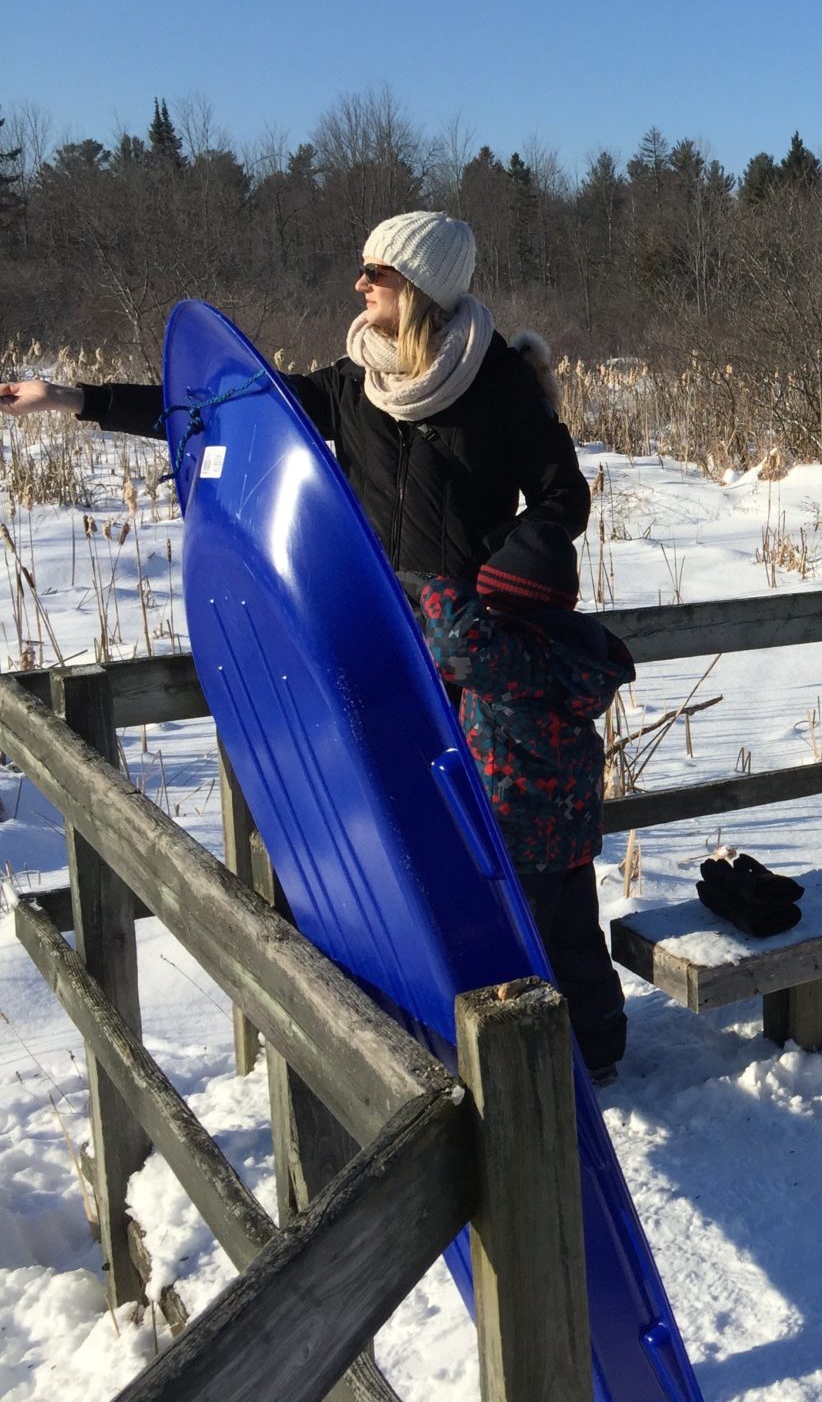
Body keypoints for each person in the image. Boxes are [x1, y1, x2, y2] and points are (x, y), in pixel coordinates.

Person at [0, 210, 590, 602]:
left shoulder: (500, 381)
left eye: (374, 271)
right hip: (371, 617)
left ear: (417, 284)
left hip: (468, 630)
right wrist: (72, 399)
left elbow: (563, 499)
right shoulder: (352, 383)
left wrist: (494, 571)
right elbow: (220, 412)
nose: (360, 283)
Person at [420, 519, 636, 1082]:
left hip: (517, 833)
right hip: (569, 832)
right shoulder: (573, 652)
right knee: (576, 940)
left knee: (517, 952)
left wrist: (438, 585)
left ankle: (520, 1062)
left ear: (511, 603)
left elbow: (450, 642)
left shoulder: (512, 660)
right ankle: (600, 1045)